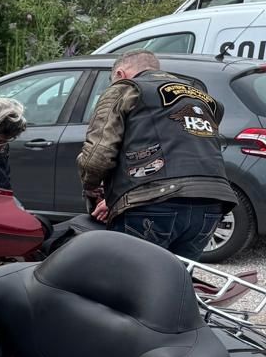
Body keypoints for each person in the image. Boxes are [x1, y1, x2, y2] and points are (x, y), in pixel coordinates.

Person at [78, 50, 234, 256]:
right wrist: (115, 200)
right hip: (212, 203)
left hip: (152, 204)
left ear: (120, 74)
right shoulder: (203, 98)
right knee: (176, 274)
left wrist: (91, 188)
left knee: (130, 274)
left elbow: (97, 158)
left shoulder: (126, 88)